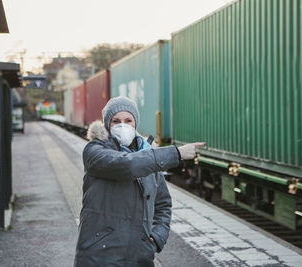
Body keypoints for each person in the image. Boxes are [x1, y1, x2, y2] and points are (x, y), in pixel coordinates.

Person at [74, 96, 205, 267]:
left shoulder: (148, 155)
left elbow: (163, 204)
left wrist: (156, 238)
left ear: (136, 123)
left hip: (139, 257)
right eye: (116, 121)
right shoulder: (95, 152)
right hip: (100, 256)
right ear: (107, 124)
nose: (123, 125)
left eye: (128, 120)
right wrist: (176, 153)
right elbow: (127, 165)